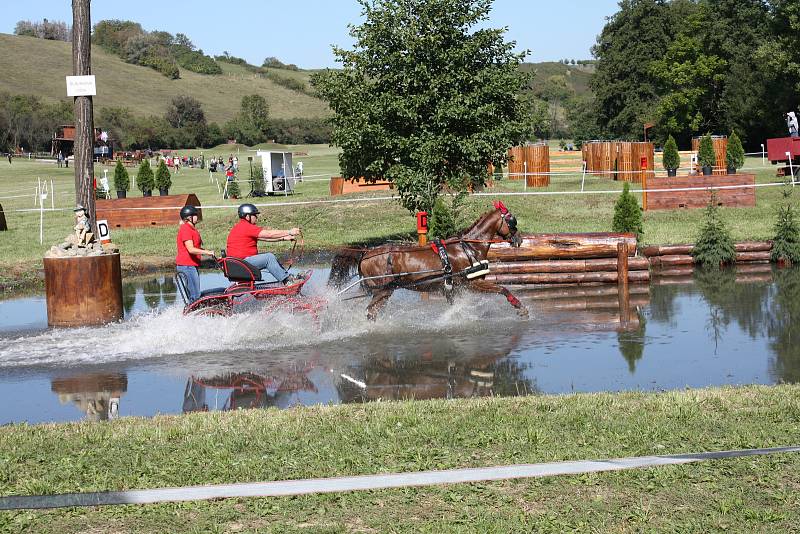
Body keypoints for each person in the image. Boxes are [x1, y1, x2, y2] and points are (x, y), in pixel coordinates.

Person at [226, 203, 303, 285]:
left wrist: (284, 238)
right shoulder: (246, 227)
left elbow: (264, 238)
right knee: (269, 258)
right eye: (254, 215)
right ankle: (287, 281)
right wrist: (289, 231)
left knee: (269, 257)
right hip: (242, 264)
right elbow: (268, 234)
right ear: (247, 216)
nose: (256, 218)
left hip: (239, 264)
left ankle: (286, 277)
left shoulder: (241, 226)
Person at [176, 205, 215, 302]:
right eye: (195, 215)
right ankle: (194, 314)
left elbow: (196, 247)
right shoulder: (185, 229)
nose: (197, 216)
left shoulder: (191, 229)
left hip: (191, 265)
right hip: (187, 266)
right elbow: (191, 249)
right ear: (189, 217)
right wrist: (207, 252)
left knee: (195, 294)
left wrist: (207, 252)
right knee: (195, 295)